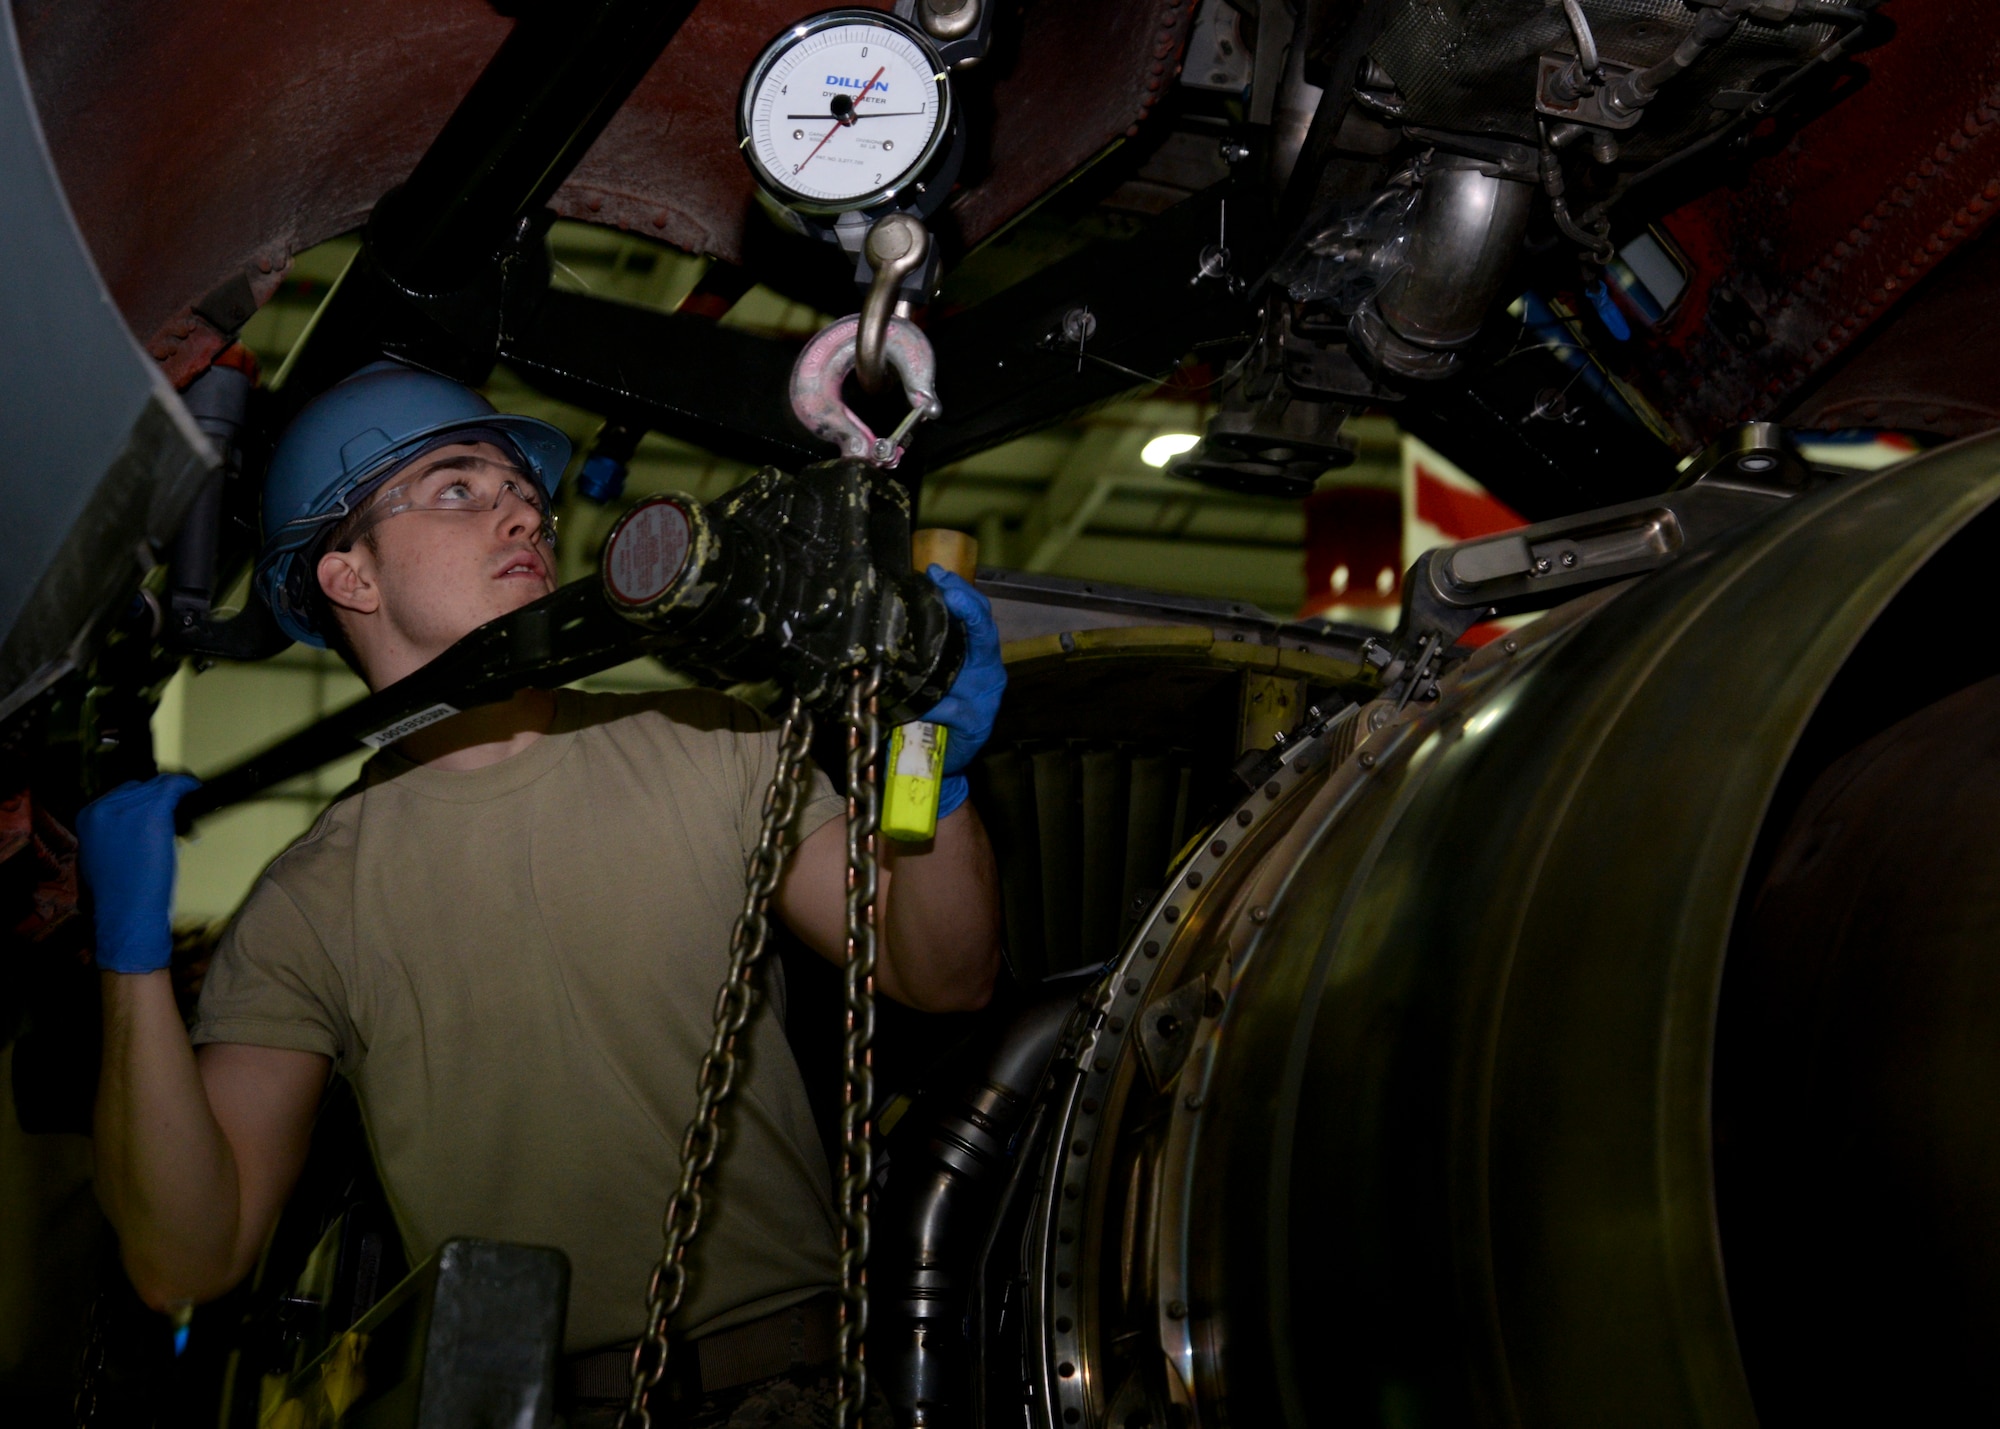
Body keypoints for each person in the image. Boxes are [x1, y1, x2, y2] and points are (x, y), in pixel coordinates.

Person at [78, 361, 1006, 1426]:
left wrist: (927, 751)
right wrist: (130, 964)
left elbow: (944, 973)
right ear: (351, 577)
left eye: (524, 491)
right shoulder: (307, 904)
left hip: (793, 1392)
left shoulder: (710, 741)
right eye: (459, 487)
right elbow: (184, 1259)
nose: (521, 506)